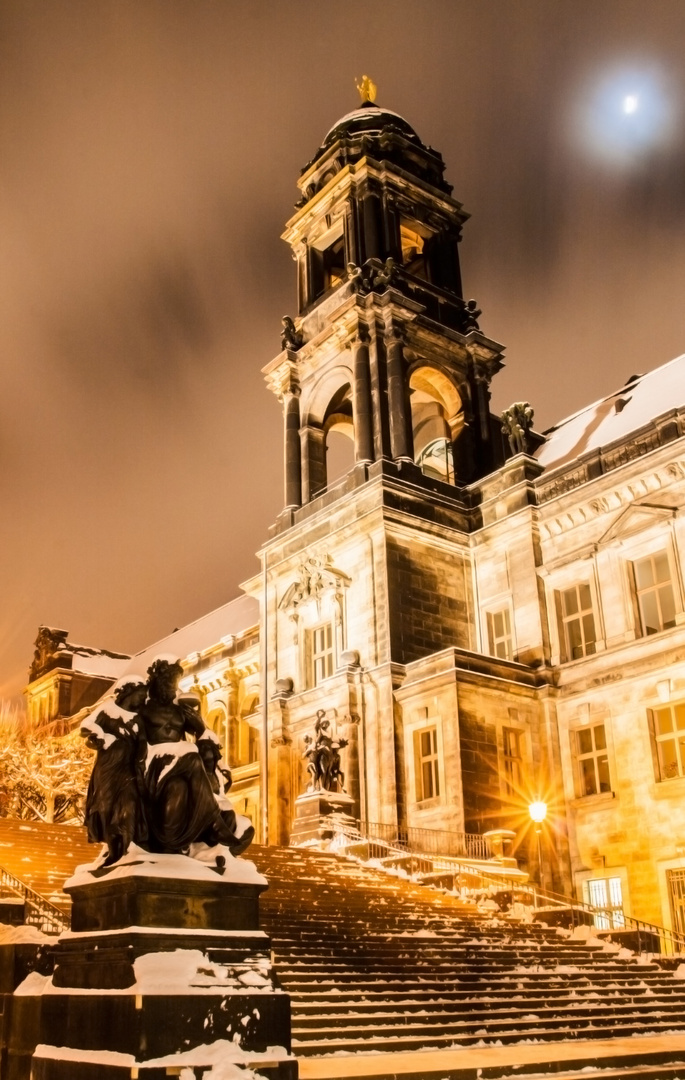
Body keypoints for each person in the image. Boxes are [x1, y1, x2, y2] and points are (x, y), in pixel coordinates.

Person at [139, 658, 241, 854]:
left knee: (178, 788)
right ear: (157, 683)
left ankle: (175, 841)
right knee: (192, 757)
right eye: (168, 684)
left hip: (179, 769)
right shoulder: (143, 710)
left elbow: (206, 738)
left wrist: (200, 724)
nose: (171, 689)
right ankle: (215, 822)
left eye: (174, 685)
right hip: (155, 764)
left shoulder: (180, 711)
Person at [81, 678, 148, 866]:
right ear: (129, 692)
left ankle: (125, 849)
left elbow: (142, 742)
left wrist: (141, 757)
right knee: (106, 808)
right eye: (141, 695)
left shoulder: (138, 718)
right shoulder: (107, 709)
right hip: (108, 769)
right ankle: (113, 847)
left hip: (128, 770)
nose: (143, 699)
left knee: (128, 805)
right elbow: (86, 726)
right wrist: (99, 736)